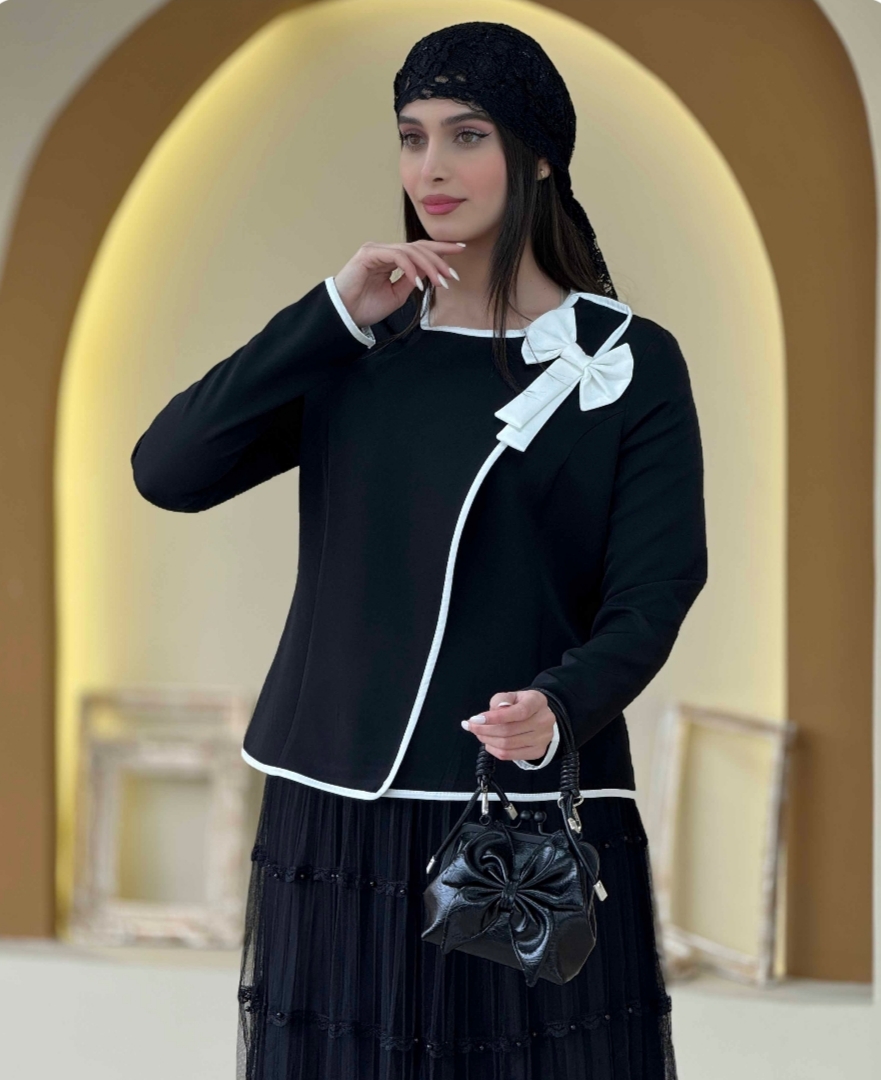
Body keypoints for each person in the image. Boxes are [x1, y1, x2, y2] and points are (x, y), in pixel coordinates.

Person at [131, 21, 706, 1080]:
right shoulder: (363, 340)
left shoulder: (629, 362)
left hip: (516, 811)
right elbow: (168, 469)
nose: (430, 167)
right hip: (335, 811)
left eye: (466, 135)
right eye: (411, 136)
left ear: (538, 156)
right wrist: (330, 314)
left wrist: (562, 706)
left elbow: (656, 586)